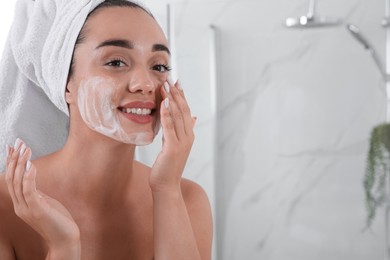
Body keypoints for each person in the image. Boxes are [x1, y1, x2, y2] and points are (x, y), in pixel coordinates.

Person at [0, 0, 213, 259]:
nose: (145, 84)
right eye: (116, 62)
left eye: (159, 66)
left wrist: (166, 188)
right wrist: (63, 246)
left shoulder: (188, 200)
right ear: (66, 83)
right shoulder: (6, 205)